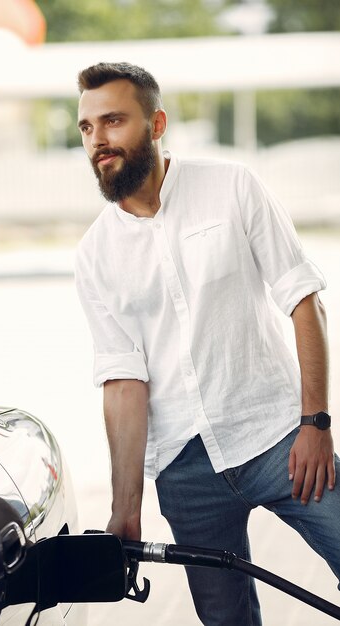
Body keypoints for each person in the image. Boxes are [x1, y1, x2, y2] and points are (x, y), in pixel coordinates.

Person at [74, 62, 339, 625]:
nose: (99, 140)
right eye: (87, 128)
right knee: (227, 622)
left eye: (114, 121)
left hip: (279, 442)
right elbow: (124, 380)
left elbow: (303, 300)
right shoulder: (94, 255)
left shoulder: (231, 186)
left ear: (157, 123)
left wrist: (315, 423)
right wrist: (127, 507)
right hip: (184, 471)